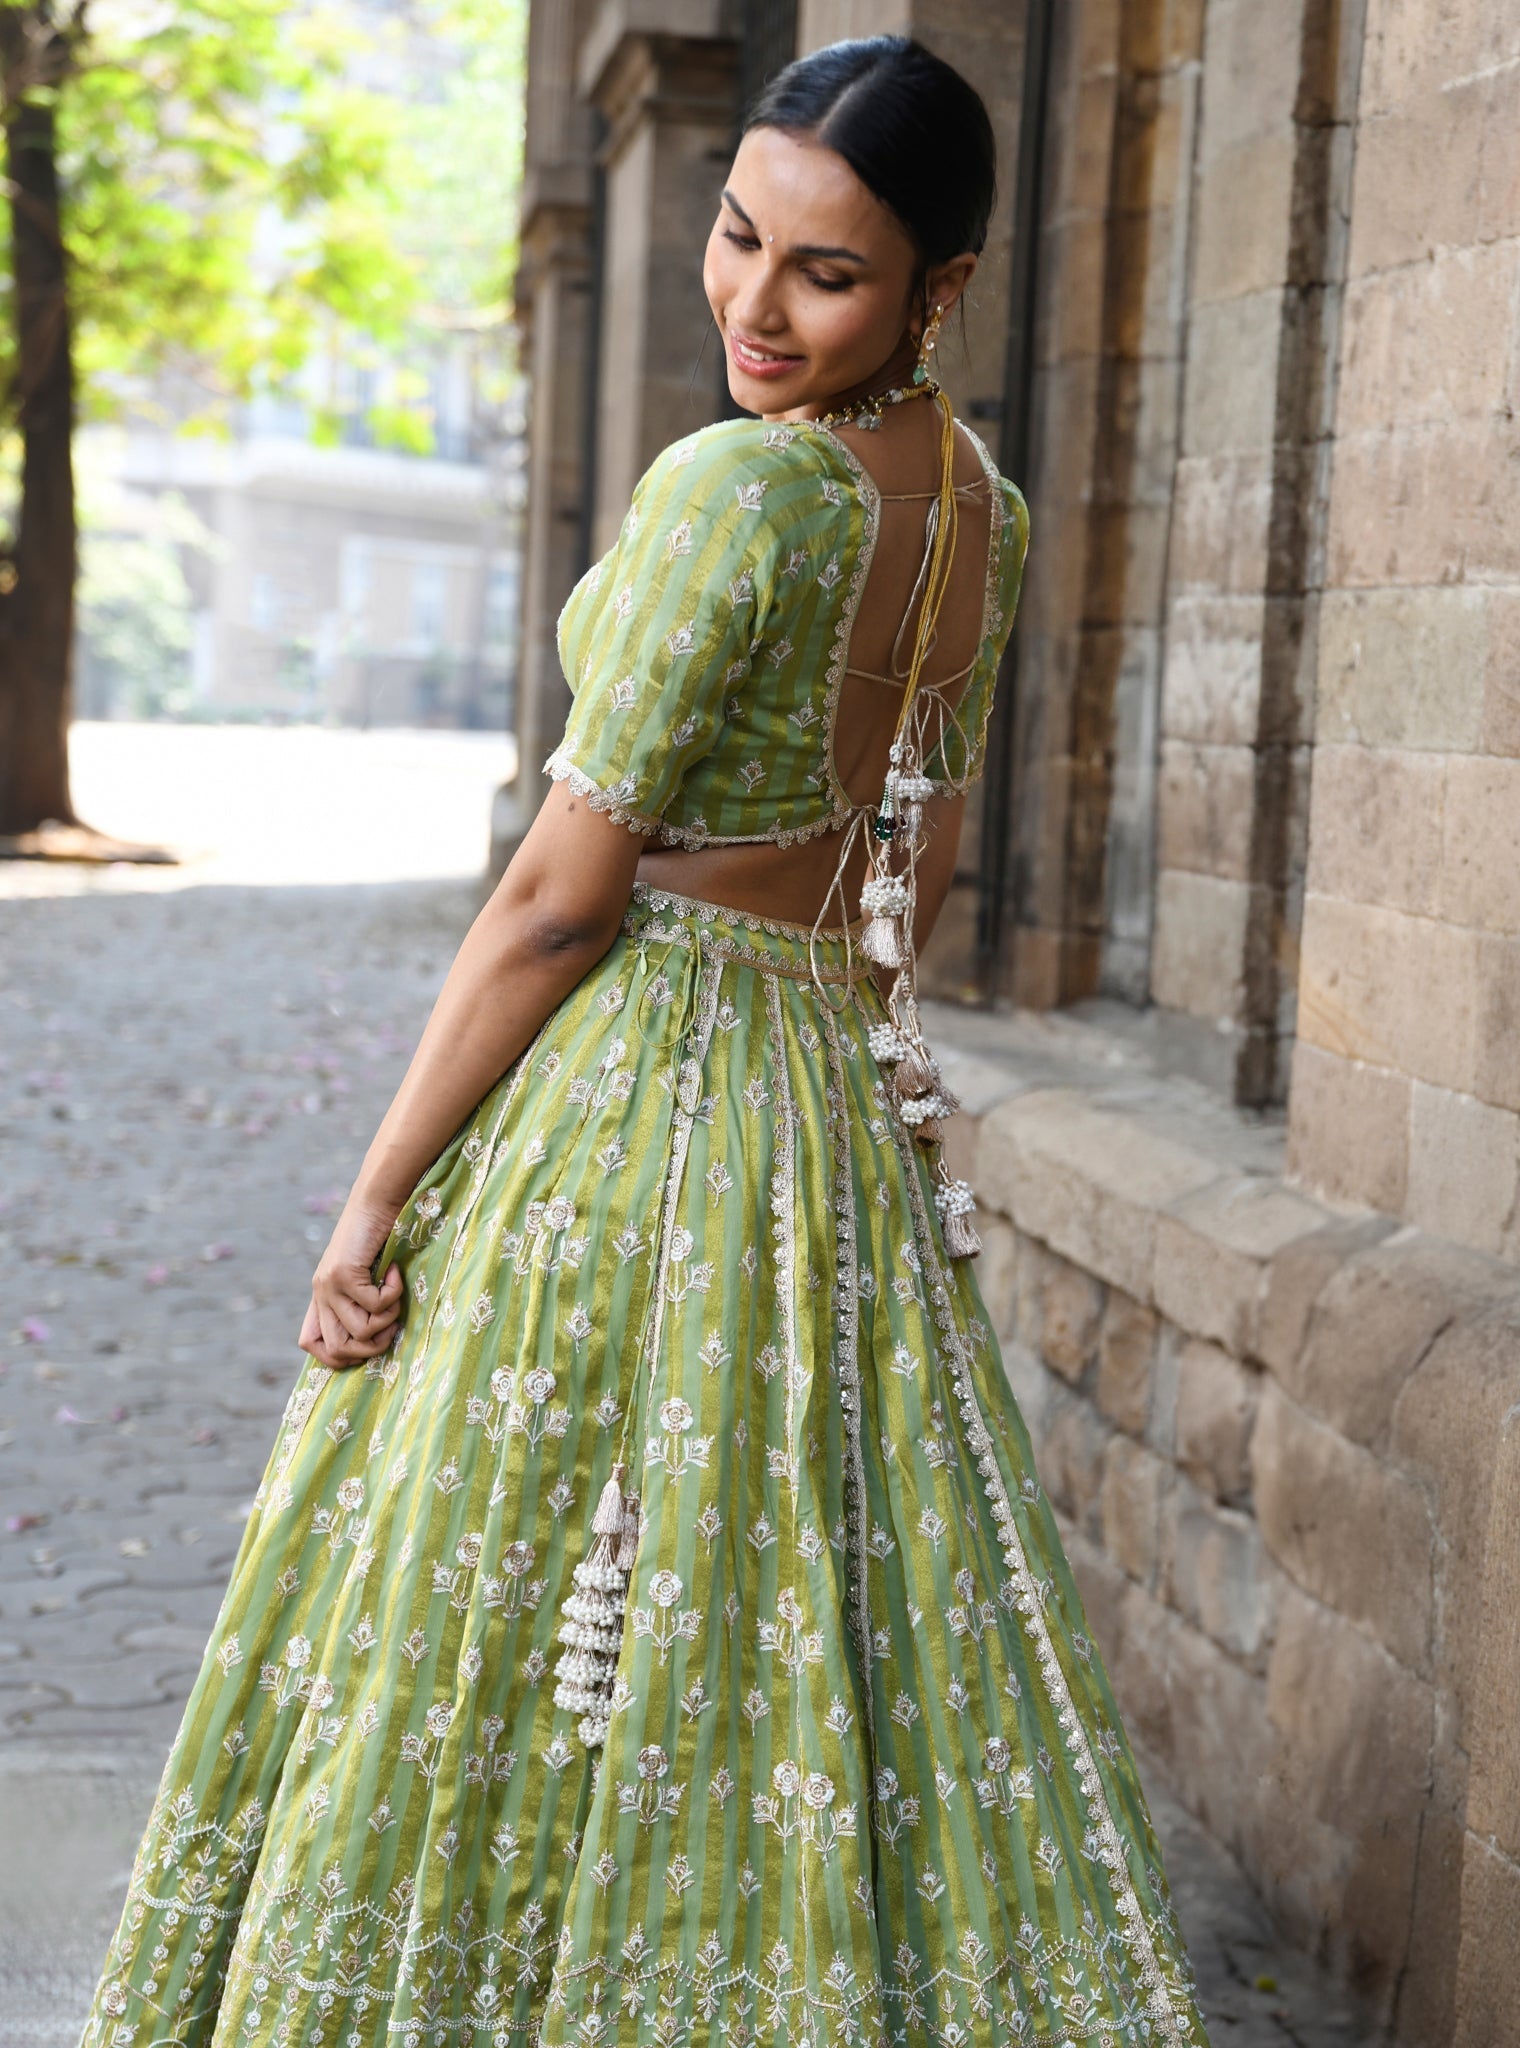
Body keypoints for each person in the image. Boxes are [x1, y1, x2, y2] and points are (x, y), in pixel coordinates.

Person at [79, 35, 1212, 2048]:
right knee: (799, 1607)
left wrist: (376, 1191)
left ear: (939, 287)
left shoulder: (734, 493)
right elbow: (903, 886)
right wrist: (825, 1093)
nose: (753, 307)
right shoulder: (980, 514)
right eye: (734, 235)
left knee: (522, 1608)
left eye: (828, 274)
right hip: (825, 1113)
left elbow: (551, 902)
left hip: (635, 1104)